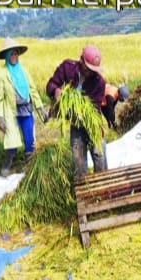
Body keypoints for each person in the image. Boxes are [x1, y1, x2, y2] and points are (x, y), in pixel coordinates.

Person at [46, 45, 107, 180]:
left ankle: (103, 184)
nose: (90, 72)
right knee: (78, 157)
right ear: (81, 60)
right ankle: (83, 186)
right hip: (75, 123)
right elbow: (51, 85)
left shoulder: (99, 82)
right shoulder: (67, 68)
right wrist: (55, 90)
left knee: (99, 154)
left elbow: (95, 108)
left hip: (92, 123)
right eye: (88, 68)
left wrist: (94, 123)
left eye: (93, 70)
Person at [0, 38, 48, 176]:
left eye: (16, 53)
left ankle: (29, 163)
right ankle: (8, 160)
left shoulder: (24, 71)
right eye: (11, 54)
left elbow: (33, 90)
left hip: (26, 109)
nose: (14, 56)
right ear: (7, 56)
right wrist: (0, 117)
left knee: (29, 138)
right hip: (11, 111)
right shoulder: (2, 73)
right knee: (11, 138)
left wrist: (40, 108)